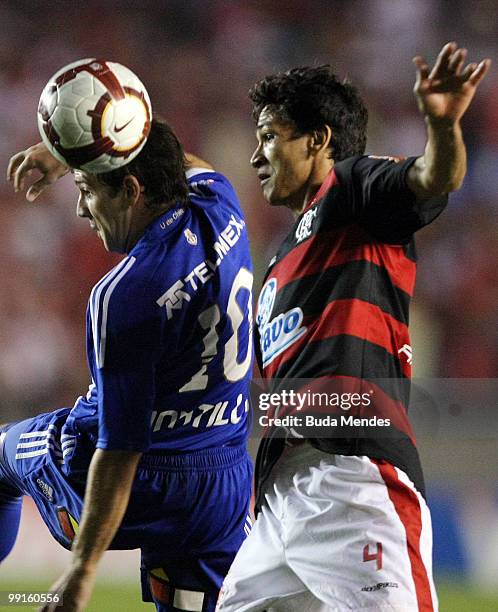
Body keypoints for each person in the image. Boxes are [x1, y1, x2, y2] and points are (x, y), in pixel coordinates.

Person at [215, 42, 490, 611]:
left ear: (318, 140)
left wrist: (442, 125)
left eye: (270, 135)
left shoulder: (352, 191)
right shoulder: (279, 261)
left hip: (351, 479)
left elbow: (433, 179)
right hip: (278, 503)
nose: (255, 156)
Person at [3, 116, 254, 612]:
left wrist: (82, 570)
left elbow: (119, 450)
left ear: (131, 190)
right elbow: (176, 158)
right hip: (222, 480)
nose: (80, 209)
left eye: (87, 189)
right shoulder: (219, 201)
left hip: (143, 487)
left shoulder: (123, 294)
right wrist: (72, 154)